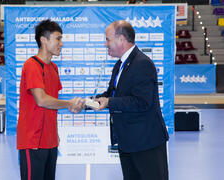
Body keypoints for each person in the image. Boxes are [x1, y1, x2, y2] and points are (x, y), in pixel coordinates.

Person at [95, 20, 169, 180]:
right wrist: (88, 102)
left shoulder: (142, 64)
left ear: (121, 39)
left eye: (107, 39)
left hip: (146, 143)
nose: (105, 43)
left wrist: (110, 102)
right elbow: (111, 94)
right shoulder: (119, 65)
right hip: (127, 142)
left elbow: (142, 102)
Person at [17, 20, 84, 180]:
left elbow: (52, 103)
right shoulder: (32, 65)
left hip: (50, 140)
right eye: (58, 38)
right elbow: (41, 100)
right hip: (32, 140)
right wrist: (69, 104)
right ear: (43, 40)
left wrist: (55, 132)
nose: (61, 43)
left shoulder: (53, 68)